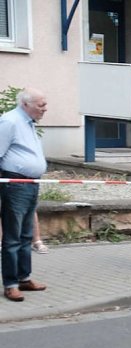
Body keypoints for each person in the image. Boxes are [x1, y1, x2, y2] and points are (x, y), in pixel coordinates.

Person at [0, 87, 49, 302]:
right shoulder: (10, 122)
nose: (44, 109)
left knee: (26, 235)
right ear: (25, 104)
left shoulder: (28, 122)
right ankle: (10, 284)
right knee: (12, 236)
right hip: (15, 184)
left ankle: (24, 277)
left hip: (30, 184)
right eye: (41, 105)